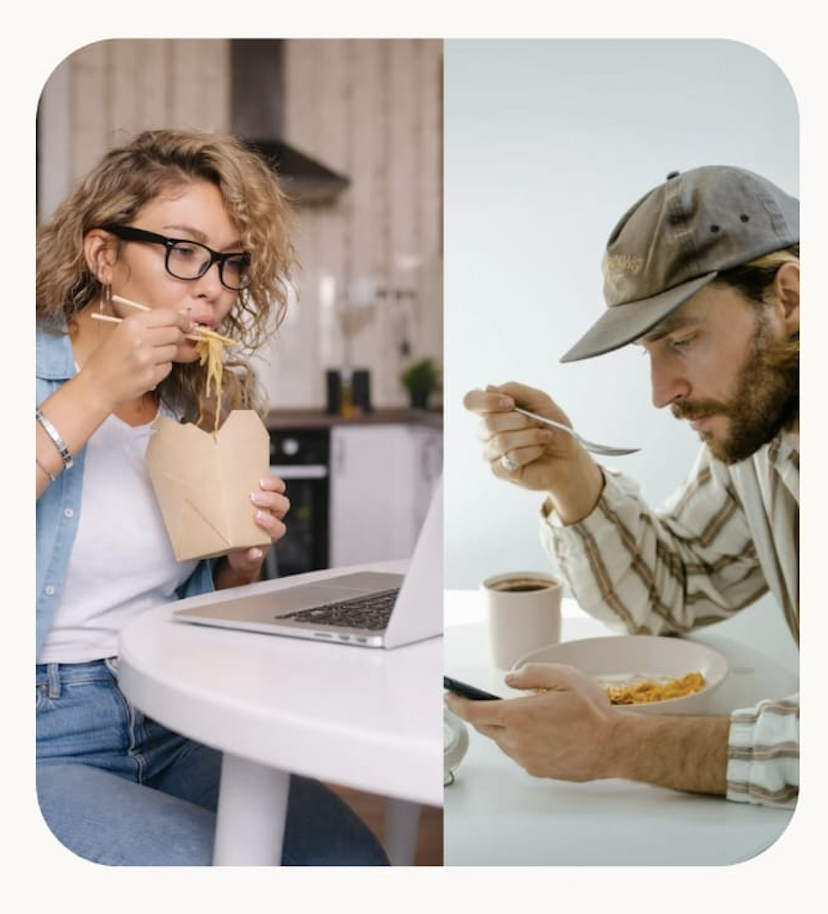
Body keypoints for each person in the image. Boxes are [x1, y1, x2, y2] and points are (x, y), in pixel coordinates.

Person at [36, 127, 389, 865]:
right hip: (42, 733)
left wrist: (238, 565)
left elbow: (196, 597)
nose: (213, 287)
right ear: (104, 256)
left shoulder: (199, 403)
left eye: (230, 264)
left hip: (173, 707)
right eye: (185, 252)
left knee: (349, 862)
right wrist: (96, 387)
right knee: (214, 873)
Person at [450, 165, 799, 807]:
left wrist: (618, 745)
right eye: (649, 353)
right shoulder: (766, 429)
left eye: (683, 340)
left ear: (790, 300)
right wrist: (571, 475)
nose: (662, 393)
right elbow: (680, 587)